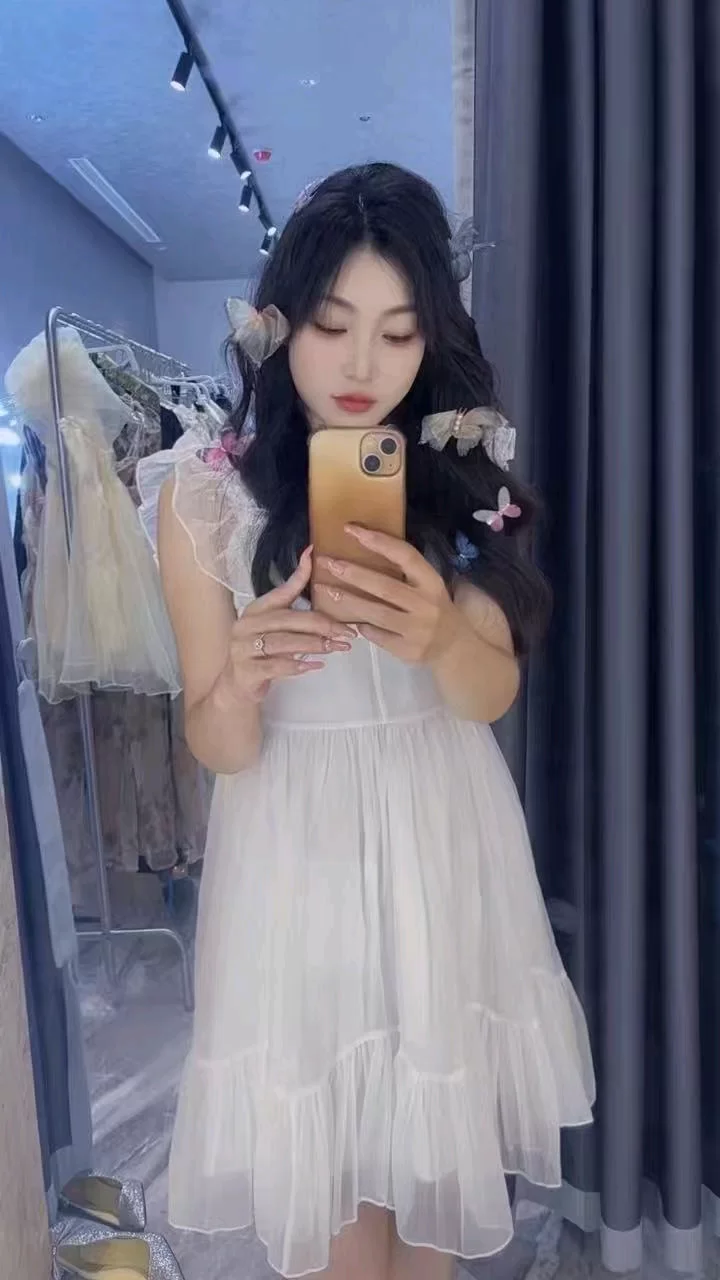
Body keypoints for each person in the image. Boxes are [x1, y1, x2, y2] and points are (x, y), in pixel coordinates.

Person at [155, 162, 595, 1280]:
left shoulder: (464, 477)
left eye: (398, 334)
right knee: (341, 1223)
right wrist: (237, 683)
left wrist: (442, 634)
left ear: (430, 339)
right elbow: (217, 745)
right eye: (331, 325)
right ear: (277, 323)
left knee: (432, 1214)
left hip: (442, 850)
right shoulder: (203, 490)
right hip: (295, 864)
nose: (361, 367)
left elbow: (489, 698)